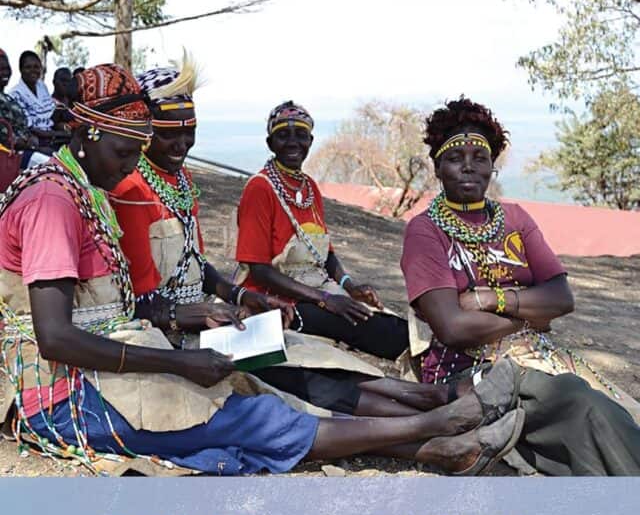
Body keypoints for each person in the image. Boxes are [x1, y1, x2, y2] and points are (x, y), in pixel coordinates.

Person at [0, 64, 523, 477]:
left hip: (110, 358)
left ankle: (437, 436)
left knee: (261, 383)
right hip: (62, 394)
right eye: (125, 150)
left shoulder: (84, 191)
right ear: (89, 133)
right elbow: (55, 337)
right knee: (250, 411)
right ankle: (436, 424)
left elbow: (115, 303)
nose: (134, 164)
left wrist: (203, 310)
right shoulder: (54, 202)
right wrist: (181, 355)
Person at [112, 61, 469, 419]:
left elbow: (196, 263)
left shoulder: (182, 181)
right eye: (169, 131)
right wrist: (223, 308)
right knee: (298, 369)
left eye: (190, 131)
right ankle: (427, 414)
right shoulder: (134, 189)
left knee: (321, 351)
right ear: (145, 129)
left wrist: (250, 298)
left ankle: (436, 393)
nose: (182, 143)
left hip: (231, 313)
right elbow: (144, 303)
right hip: (177, 331)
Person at [401, 96, 640, 476]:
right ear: (437, 167)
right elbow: (453, 328)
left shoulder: (514, 219)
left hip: (538, 355)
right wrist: (530, 314)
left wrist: (485, 299)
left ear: (492, 166)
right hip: (469, 371)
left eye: (479, 157)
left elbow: (562, 297)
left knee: (615, 412)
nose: (468, 166)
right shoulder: (425, 231)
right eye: (455, 157)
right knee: (582, 405)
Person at [235, 100, 409, 363]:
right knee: (360, 325)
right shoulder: (260, 188)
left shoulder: (309, 188)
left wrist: (349, 286)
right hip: (277, 301)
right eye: (283, 135)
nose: (293, 142)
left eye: (301, 135)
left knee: (385, 321)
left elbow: (324, 254)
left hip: (317, 291)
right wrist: (326, 300)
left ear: (311, 141)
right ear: (270, 144)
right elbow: (259, 269)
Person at [0, 49, 48, 171]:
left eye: (6, 68)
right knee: (52, 165)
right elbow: (6, 139)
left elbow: (24, 127)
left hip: (26, 150)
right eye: (0, 69)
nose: (4, 73)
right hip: (9, 156)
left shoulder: (8, 98)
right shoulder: (14, 94)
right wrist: (32, 146)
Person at [9, 51, 56, 157]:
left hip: (52, 136)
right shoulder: (16, 94)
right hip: (34, 142)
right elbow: (31, 129)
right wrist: (61, 134)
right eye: (28, 67)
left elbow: (51, 114)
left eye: (36, 67)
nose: (33, 70)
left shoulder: (41, 86)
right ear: (21, 70)